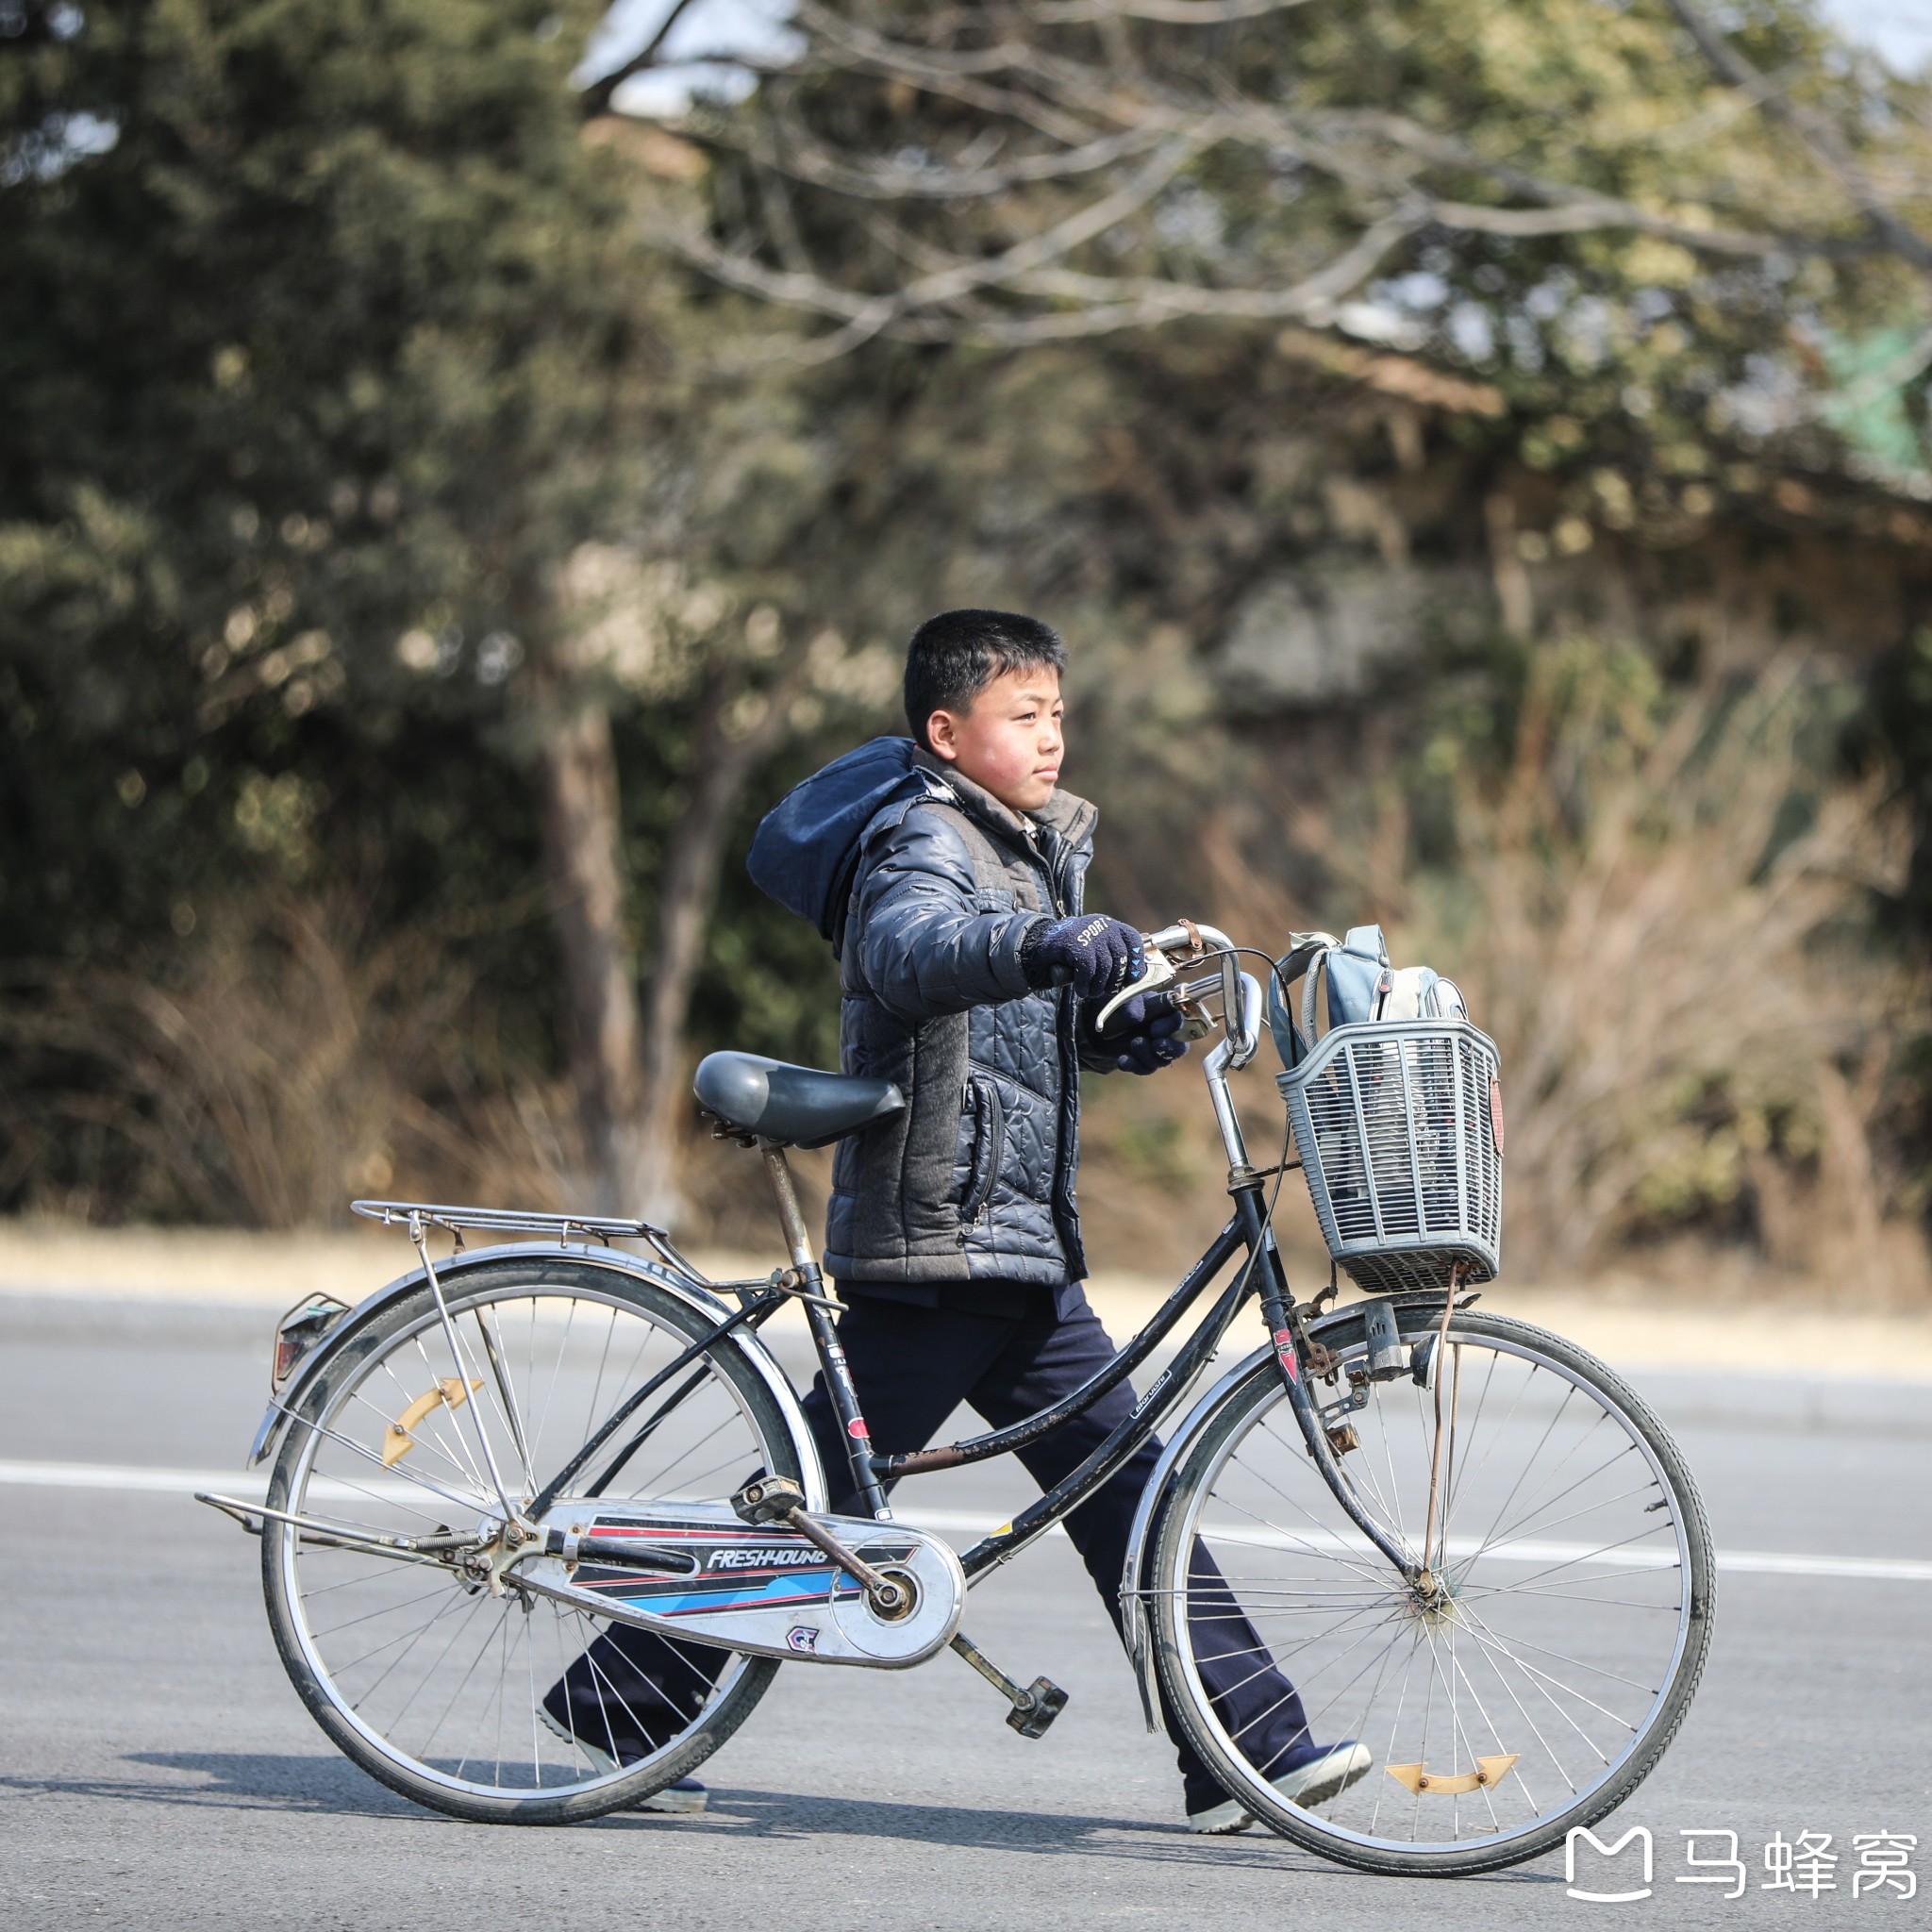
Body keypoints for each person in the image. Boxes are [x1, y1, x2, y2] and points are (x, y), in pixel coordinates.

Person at [542, 608, 1369, 1829]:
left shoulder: (1024, 843)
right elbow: (915, 950)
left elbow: (1008, 1029)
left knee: (1117, 1483)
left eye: (1058, 714)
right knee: (833, 1497)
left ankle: (1249, 1748)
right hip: (938, 1235)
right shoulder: (920, 832)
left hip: (1007, 1244)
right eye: (1024, 715)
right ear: (947, 731)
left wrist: (1112, 1030)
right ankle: (619, 1698)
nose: (1053, 737)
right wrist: (1045, 939)